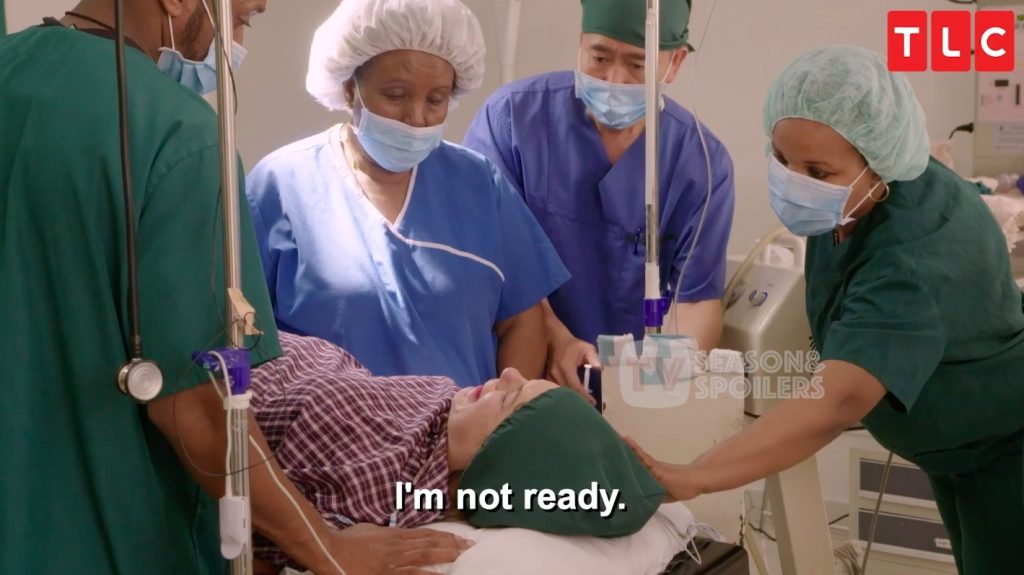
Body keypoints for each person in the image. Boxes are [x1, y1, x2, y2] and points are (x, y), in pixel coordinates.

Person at [0, 1, 467, 573]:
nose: (237, 39)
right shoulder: (181, 136)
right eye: (242, 17)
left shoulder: (10, 67)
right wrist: (329, 548)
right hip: (101, 536)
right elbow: (197, 410)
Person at [628, 45, 1024, 574]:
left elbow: (839, 397)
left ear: (878, 162)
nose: (795, 181)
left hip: (1006, 449)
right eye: (782, 159)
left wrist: (697, 475)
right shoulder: (848, 202)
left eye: (816, 170)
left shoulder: (913, 254)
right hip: (956, 448)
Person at [246, 0, 568, 388]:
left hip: (465, 426)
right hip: (333, 428)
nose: (416, 117)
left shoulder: (480, 184)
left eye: (436, 100)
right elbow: (245, 337)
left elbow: (522, 320)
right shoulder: (281, 187)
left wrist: (504, 413)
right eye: (396, 95)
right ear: (350, 89)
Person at [463, 0, 735, 397]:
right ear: (580, 44)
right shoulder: (511, 121)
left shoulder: (701, 163)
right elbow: (494, 266)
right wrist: (555, 338)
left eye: (637, 64)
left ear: (674, 62)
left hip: (634, 388)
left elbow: (695, 301)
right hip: (516, 375)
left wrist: (660, 382)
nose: (614, 79)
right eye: (600, 57)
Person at [249, 332, 666, 573]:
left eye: (509, 399)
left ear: (492, 461)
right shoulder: (441, 409)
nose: (507, 372)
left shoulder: (380, 482)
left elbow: (264, 513)